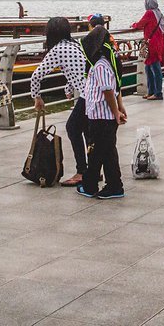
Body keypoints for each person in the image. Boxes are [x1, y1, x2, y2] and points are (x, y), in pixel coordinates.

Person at [31, 16, 90, 186]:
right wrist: (69, 87)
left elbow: (36, 76)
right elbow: (77, 69)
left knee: (72, 127)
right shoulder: (75, 45)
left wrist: (37, 97)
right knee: (85, 130)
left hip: (86, 95)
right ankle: (91, 170)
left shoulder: (57, 50)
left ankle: (81, 171)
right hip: (92, 93)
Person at [78, 26, 126, 199]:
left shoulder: (100, 65)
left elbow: (107, 90)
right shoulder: (106, 63)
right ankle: (114, 185)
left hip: (102, 116)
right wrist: (119, 108)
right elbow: (117, 88)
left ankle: (91, 186)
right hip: (101, 115)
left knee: (96, 152)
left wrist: (116, 112)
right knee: (107, 152)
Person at [132, 0, 164, 100]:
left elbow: (141, 23)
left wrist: (133, 25)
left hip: (152, 44)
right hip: (158, 43)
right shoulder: (159, 13)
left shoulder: (150, 13)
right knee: (148, 68)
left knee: (155, 69)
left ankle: (158, 93)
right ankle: (151, 91)